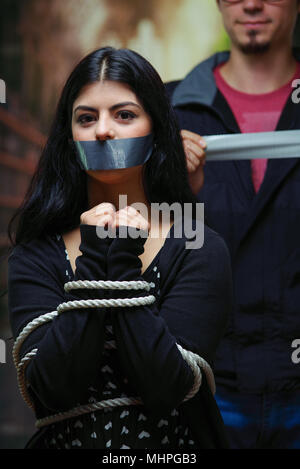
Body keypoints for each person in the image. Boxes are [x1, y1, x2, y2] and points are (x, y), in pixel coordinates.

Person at [7, 47, 232, 449]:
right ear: (70, 135)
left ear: (155, 129)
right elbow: (52, 390)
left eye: (124, 115)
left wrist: (122, 258)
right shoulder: (36, 252)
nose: (103, 131)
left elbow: (166, 388)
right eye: (86, 118)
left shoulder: (199, 247)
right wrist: (97, 255)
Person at [166, 0, 300, 449]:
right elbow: (126, 244)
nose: (252, 2)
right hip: (204, 386)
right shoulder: (167, 110)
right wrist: (170, 188)